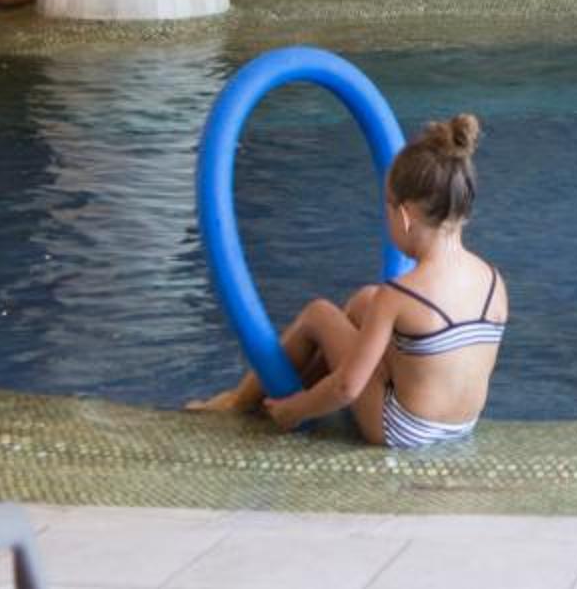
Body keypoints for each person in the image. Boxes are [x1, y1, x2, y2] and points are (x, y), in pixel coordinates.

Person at [190, 115, 505, 450]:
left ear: (403, 216)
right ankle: (292, 390)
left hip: (403, 431)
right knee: (364, 301)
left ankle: (241, 402)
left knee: (320, 314)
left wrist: (296, 411)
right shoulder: (493, 280)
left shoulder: (400, 294)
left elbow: (347, 388)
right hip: (460, 424)